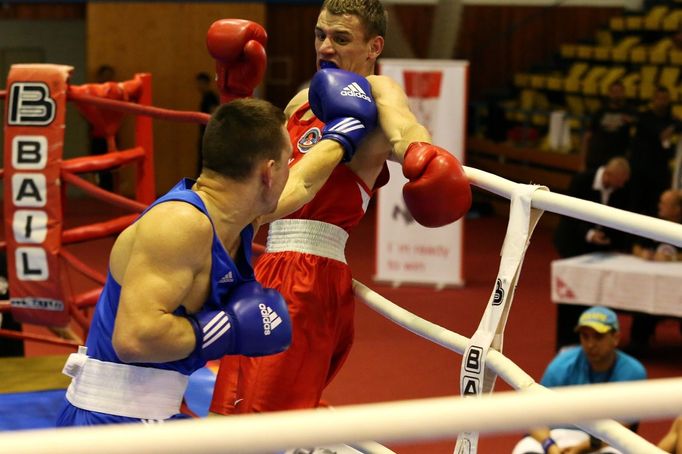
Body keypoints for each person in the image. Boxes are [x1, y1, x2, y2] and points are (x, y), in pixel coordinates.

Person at [209, 2, 471, 415]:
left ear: (374, 47)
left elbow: (405, 130)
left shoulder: (378, 92)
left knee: (264, 421)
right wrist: (234, 98)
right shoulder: (300, 102)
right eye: (320, 35)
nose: (326, 47)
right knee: (229, 409)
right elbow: (249, 178)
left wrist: (423, 156)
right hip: (265, 263)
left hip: (311, 276)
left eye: (341, 38)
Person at [56, 98, 295, 426]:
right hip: (107, 422)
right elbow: (134, 338)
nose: (290, 171)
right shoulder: (180, 224)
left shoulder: (237, 221)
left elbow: (304, 184)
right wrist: (227, 328)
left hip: (154, 415)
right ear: (269, 172)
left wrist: (341, 138)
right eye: (288, 162)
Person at [512, 306, 647, 454]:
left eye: (598, 336)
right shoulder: (560, 366)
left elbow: (624, 427)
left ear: (615, 338)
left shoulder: (633, 372)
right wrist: (550, 446)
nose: (590, 344)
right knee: (524, 450)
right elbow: (533, 415)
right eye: (585, 336)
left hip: (602, 443)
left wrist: (582, 448)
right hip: (556, 437)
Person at [553, 157, 632, 350]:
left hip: (599, 249)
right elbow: (569, 213)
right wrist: (589, 234)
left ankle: (593, 336)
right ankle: (566, 340)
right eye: (619, 181)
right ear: (609, 175)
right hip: (572, 243)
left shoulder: (619, 190)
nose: (621, 185)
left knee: (596, 290)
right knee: (570, 292)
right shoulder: (581, 180)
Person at [629, 188, 682, 353]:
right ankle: (639, 340)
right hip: (653, 282)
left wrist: (672, 259)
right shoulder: (654, 224)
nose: (660, 206)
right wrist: (643, 253)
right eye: (660, 202)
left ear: (677, 209)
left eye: (664, 204)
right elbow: (635, 245)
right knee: (642, 302)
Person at [629, 86, 680, 218]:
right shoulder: (644, 118)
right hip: (640, 171)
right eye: (659, 98)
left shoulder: (672, 119)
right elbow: (660, 134)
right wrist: (671, 128)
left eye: (665, 99)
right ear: (653, 99)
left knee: (656, 209)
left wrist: (673, 127)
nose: (662, 102)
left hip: (660, 171)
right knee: (635, 207)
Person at [581, 80, 635, 171]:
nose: (616, 95)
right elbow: (587, 137)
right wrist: (582, 162)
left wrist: (632, 121)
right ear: (609, 93)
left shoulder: (630, 112)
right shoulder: (600, 112)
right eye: (614, 92)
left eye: (619, 92)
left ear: (624, 93)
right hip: (595, 160)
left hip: (616, 162)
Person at [195, 72, 220, 176]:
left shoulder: (210, 97)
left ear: (204, 83)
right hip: (206, 135)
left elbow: (214, 114)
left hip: (209, 136)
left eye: (199, 83)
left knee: (205, 164)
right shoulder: (207, 96)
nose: (197, 86)